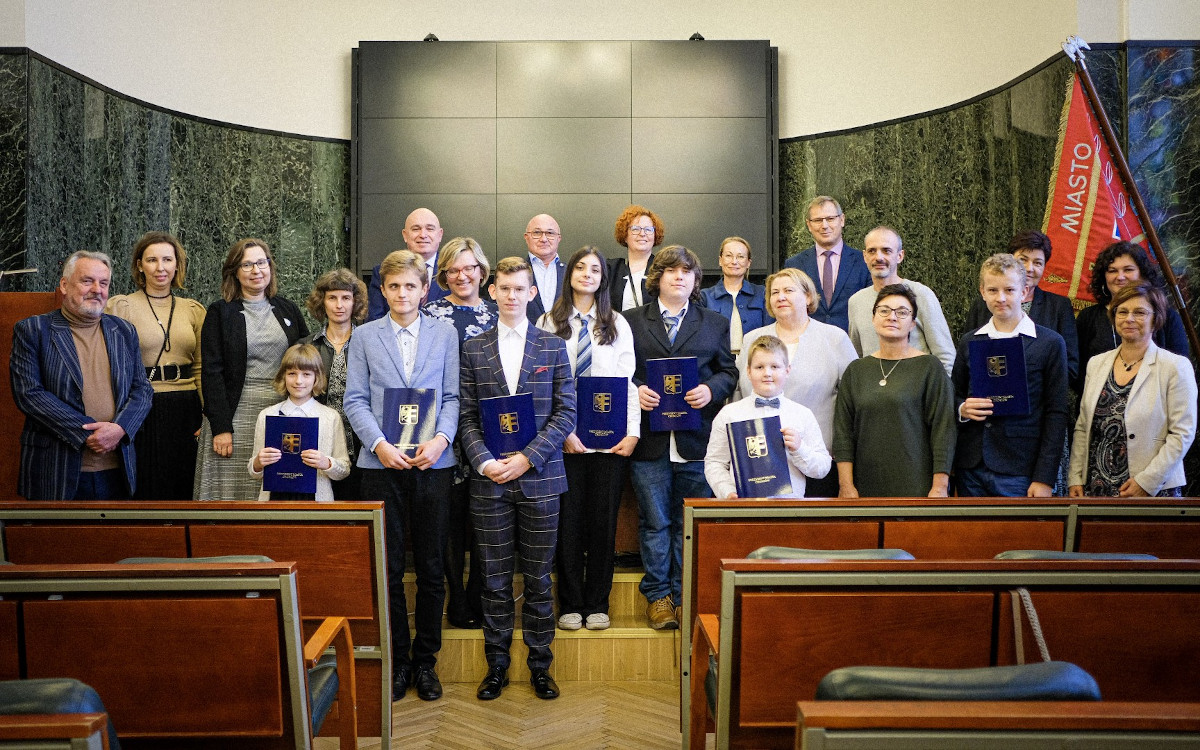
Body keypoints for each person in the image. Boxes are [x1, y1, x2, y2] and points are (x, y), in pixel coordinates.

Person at [343, 250, 460, 702]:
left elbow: (452, 396)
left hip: (433, 463)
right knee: (389, 568)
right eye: (393, 286)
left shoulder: (445, 334)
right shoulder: (366, 336)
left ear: (424, 289)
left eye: (410, 286)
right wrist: (380, 445)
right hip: (382, 465)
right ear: (382, 290)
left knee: (432, 566)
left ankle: (427, 662)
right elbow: (355, 399)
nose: (402, 293)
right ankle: (399, 661)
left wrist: (442, 441)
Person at [459, 256, 576, 701]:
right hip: (488, 481)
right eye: (503, 288)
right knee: (493, 578)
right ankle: (497, 666)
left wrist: (527, 458)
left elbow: (566, 413)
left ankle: (541, 667)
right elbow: (467, 416)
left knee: (540, 578)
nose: (511, 296)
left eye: (519, 289)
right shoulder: (473, 348)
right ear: (493, 292)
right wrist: (485, 462)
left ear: (532, 293)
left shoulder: (552, 347)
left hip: (541, 479)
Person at [624, 245, 738, 630]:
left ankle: (683, 594)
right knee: (655, 522)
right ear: (657, 277)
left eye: (686, 272)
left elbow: (729, 372)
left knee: (688, 522)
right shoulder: (631, 322)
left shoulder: (715, 322)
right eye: (671, 270)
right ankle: (658, 597)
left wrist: (712, 390)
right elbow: (620, 372)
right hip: (650, 440)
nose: (679, 277)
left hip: (697, 439)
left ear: (694, 280)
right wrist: (634, 389)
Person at [537, 246, 639, 632]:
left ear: (603, 279)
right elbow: (542, 385)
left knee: (602, 524)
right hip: (564, 443)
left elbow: (627, 383)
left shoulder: (617, 324)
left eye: (595, 269)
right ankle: (570, 603)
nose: (587, 274)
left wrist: (632, 433)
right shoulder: (550, 322)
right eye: (580, 267)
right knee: (567, 524)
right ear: (570, 274)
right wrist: (560, 434)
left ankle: (598, 603)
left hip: (610, 443)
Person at [11, 250, 153, 500]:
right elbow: (29, 394)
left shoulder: (124, 330)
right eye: (87, 281)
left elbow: (141, 390)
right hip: (56, 468)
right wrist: (87, 432)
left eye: (104, 283)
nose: (97, 289)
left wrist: (119, 429)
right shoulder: (33, 330)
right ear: (64, 285)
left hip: (117, 468)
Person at [195, 238, 309, 500]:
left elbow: (304, 357)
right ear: (234, 272)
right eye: (247, 265)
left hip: (280, 411)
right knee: (230, 491)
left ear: (270, 267)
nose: (256, 270)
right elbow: (212, 372)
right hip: (235, 412)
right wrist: (221, 427)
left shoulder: (287, 309)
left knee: (272, 486)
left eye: (262, 262)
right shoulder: (220, 312)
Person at [423, 236, 498, 630]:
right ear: (443, 275)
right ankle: (456, 597)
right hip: (442, 428)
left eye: (469, 267)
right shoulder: (429, 313)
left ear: (482, 271)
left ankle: (478, 595)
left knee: (487, 519)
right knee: (450, 522)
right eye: (453, 269)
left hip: (490, 430)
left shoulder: (501, 311)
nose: (461, 275)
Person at [952, 254, 1069, 497]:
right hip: (971, 465)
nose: (1001, 298)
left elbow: (1056, 413)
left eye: (1009, 289)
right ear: (982, 292)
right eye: (993, 290)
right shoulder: (970, 341)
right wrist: (962, 408)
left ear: (1025, 292)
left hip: (1020, 468)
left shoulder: (1050, 343)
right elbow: (954, 394)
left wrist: (1044, 477)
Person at [735, 267, 857, 498]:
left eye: (789, 290)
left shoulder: (835, 338)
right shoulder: (752, 339)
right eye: (774, 292)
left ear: (808, 296)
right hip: (760, 462)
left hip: (817, 460)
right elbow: (740, 395)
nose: (780, 297)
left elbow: (852, 403)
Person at [1070, 284, 1197, 498]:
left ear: (1155, 319)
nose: (1129, 318)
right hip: (1096, 485)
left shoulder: (1175, 366)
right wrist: (1075, 477)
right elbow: (1083, 427)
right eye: (1122, 311)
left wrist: (1147, 482)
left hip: (1153, 488)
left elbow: (1182, 433)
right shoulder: (1096, 363)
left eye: (1139, 312)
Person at [105, 231, 206, 499]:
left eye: (167, 260)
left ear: (177, 265)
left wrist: (206, 414)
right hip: (142, 404)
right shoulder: (120, 307)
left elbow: (201, 368)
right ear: (140, 265)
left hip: (186, 407)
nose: (160, 268)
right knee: (146, 484)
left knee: (184, 482)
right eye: (151, 260)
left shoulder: (194, 310)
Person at [833, 284, 956, 498]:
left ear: (912, 324)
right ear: (873, 319)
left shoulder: (930, 368)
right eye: (884, 310)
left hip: (917, 484)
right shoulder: (856, 370)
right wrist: (846, 485)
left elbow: (943, 431)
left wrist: (940, 486)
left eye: (902, 312)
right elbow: (843, 432)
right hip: (864, 486)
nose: (892, 317)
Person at [706, 335, 830, 498]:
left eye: (775, 366)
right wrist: (728, 493)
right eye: (759, 367)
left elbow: (822, 468)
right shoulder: (729, 415)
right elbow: (714, 463)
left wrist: (800, 449)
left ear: (787, 370)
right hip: (742, 511)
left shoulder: (802, 414)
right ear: (748, 372)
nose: (767, 373)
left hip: (791, 511)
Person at [963, 230, 1080, 387]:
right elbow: (968, 357)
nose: (1029, 268)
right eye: (1023, 260)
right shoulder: (983, 305)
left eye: (1038, 263)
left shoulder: (1059, 306)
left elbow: (1070, 368)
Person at [1075, 241, 1189, 392]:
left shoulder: (1167, 317)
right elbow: (1078, 372)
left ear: (1142, 273)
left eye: (1128, 270)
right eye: (1112, 271)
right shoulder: (1088, 317)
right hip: (1098, 404)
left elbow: (1179, 372)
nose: (1120, 277)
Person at [846, 226, 955, 376]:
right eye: (872, 251)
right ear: (864, 256)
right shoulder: (856, 302)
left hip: (917, 394)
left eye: (886, 250)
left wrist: (941, 395)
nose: (878, 257)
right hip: (874, 394)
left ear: (900, 256)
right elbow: (857, 357)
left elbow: (945, 356)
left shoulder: (921, 294)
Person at [249, 343, 350, 501]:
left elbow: (344, 469)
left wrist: (326, 463)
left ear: (317, 377)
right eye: (292, 373)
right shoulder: (267, 415)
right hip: (274, 500)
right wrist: (258, 462)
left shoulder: (330, 417)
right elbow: (253, 471)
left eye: (306, 374)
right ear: (283, 376)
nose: (298, 381)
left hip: (317, 501)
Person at [300, 268, 368, 500]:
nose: (339, 305)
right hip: (319, 445)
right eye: (332, 297)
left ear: (355, 303)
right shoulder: (307, 346)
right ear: (322, 302)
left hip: (364, 445)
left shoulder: (370, 343)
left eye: (346, 298)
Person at [783, 196, 871, 331]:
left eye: (830, 219)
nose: (824, 226)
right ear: (809, 225)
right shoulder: (795, 264)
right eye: (818, 220)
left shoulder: (863, 262)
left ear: (842, 220)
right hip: (809, 343)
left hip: (851, 345)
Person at [366, 207, 449, 320]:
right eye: (416, 229)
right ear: (405, 235)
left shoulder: (452, 271)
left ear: (440, 235)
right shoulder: (382, 272)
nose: (423, 235)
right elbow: (375, 320)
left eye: (430, 229)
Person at [699, 236, 773, 355]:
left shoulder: (762, 294)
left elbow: (770, 333)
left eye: (740, 256)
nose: (734, 261)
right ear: (720, 260)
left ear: (748, 262)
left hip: (754, 360)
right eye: (728, 256)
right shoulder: (704, 297)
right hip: (718, 365)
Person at [609, 205, 663, 312]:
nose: (642, 234)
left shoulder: (663, 269)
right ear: (624, 235)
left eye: (648, 229)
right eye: (635, 229)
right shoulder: (611, 269)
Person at [524, 213, 566, 321]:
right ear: (526, 237)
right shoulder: (514, 271)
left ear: (559, 238)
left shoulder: (572, 272)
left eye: (550, 233)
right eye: (537, 232)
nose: (543, 239)